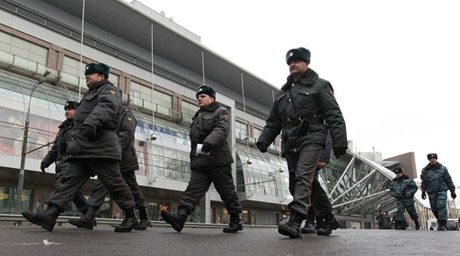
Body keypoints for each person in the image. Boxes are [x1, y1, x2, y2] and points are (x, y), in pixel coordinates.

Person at [22, 62, 138, 232]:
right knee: (68, 181)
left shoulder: (109, 91)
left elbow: (107, 107)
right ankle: (50, 215)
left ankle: (131, 216)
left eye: (91, 75)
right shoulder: (89, 94)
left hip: (101, 147)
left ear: (101, 76)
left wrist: (91, 123)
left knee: (114, 183)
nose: (87, 77)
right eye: (86, 76)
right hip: (84, 147)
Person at [257, 47, 347, 238]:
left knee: (304, 176)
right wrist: (264, 139)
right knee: (301, 183)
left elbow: (333, 115)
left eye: (296, 61)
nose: (292, 65)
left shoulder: (319, 85)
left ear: (306, 63)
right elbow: (274, 121)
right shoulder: (283, 93)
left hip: (313, 137)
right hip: (291, 141)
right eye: (289, 62)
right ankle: (328, 218)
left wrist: (339, 142)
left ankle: (296, 220)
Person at [161, 85, 243, 233]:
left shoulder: (221, 112)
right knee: (192, 190)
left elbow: (222, 130)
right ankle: (180, 218)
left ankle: (236, 220)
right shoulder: (198, 116)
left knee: (227, 191)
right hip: (202, 162)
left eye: (203, 96)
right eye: (198, 97)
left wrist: (209, 142)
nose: (199, 98)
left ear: (212, 98)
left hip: (218, 161)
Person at [68, 104, 152, 230]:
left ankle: (144, 217)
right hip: (110, 157)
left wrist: (112, 148)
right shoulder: (107, 113)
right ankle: (90, 216)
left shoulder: (126, 113)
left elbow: (127, 134)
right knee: (101, 184)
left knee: (132, 187)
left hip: (124, 158)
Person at [40, 101, 88, 215]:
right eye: (66, 110)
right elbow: (56, 148)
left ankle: (48, 214)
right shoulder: (63, 127)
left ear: (77, 111)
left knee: (60, 186)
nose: (67, 111)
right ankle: (88, 215)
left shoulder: (82, 126)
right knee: (75, 194)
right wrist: (46, 161)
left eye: (70, 109)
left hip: (73, 164)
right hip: (61, 164)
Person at [300, 134, 340, 236]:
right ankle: (322, 220)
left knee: (311, 188)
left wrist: (323, 157)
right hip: (299, 153)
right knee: (301, 187)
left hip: (312, 156)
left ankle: (313, 220)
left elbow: (325, 133)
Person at [420, 153, 456, 231]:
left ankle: (442, 223)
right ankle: (440, 220)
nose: (432, 160)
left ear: (436, 159)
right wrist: (423, 191)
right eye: (430, 159)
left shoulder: (442, 169)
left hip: (441, 190)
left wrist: (452, 191)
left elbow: (448, 180)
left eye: (434, 158)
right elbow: (424, 181)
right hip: (431, 191)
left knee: (441, 206)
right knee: (434, 208)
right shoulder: (425, 170)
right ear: (429, 160)